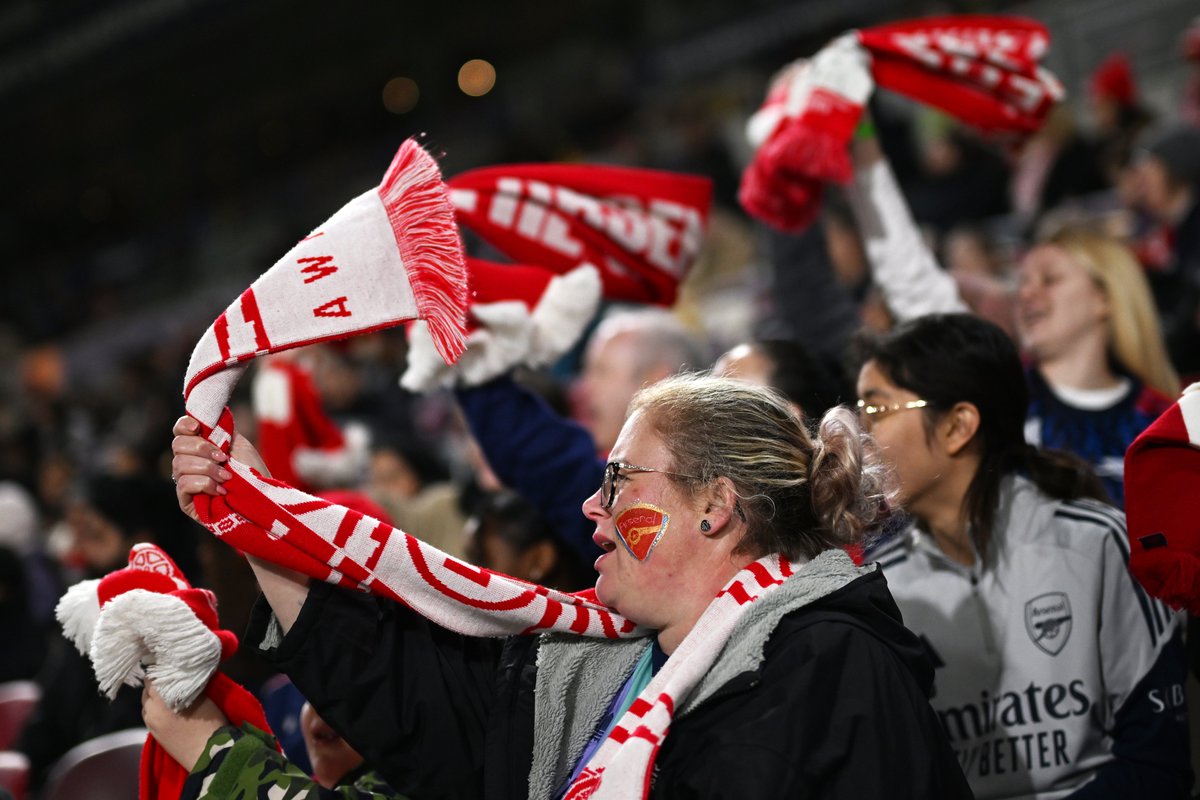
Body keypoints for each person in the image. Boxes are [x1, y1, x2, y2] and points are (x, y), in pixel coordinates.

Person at [167, 374, 972, 798]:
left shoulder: (835, 664)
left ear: (716, 507)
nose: (593, 506)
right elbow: (417, 704)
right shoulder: (606, 659)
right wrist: (255, 513)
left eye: (620, 480)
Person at [857, 313, 1191, 799]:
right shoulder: (881, 587)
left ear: (957, 426)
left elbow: (1159, 765)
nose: (859, 434)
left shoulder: (1098, 542)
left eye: (876, 409)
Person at [848, 132, 1179, 506]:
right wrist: (865, 148)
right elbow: (912, 284)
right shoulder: (995, 393)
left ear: (1105, 298)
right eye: (1023, 282)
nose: (1027, 293)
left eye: (1050, 279)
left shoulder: (1164, 423)